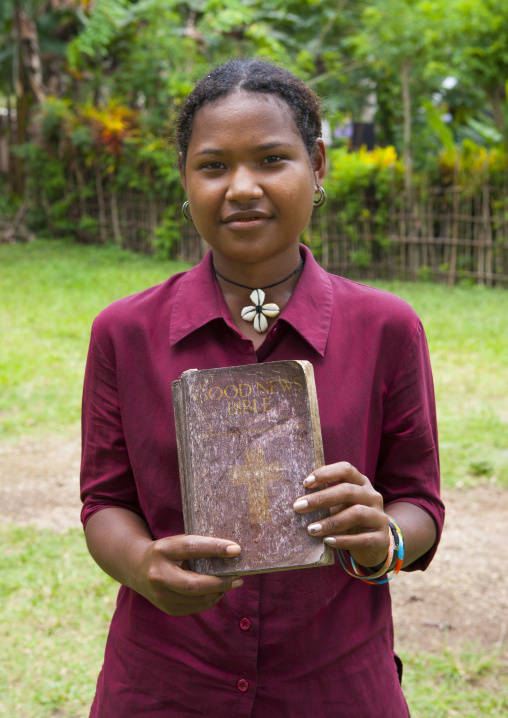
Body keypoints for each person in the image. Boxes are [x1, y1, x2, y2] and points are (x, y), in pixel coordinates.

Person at [80, 58, 444, 717]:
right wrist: (142, 565)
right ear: (185, 180)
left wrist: (382, 536)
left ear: (320, 166)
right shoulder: (124, 333)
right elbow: (104, 501)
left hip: (335, 686)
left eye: (272, 159)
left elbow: (420, 500)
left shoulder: (387, 328)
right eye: (213, 165)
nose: (241, 187)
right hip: (165, 686)